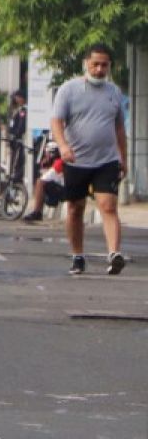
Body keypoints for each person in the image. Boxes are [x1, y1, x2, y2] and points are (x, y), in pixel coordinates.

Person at [51, 43, 127, 275]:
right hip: (76, 159)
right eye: (95, 64)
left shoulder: (114, 92)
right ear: (86, 64)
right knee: (75, 208)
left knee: (108, 205)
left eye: (104, 65)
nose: (99, 69)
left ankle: (113, 254)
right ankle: (78, 256)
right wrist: (63, 146)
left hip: (106, 160)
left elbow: (119, 128)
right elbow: (56, 121)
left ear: (109, 67)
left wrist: (123, 158)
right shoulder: (69, 90)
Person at [22, 141, 65, 223]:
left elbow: (45, 178)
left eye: (47, 154)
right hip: (61, 187)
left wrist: (45, 167)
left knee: (39, 182)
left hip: (63, 190)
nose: (46, 156)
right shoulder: (57, 162)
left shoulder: (59, 163)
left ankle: (37, 212)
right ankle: (38, 211)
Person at [6, 90, 28, 183]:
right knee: (14, 160)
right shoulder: (17, 110)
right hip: (14, 139)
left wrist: (16, 135)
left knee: (18, 161)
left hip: (18, 139)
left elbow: (21, 125)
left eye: (17, 97)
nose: (16, 99)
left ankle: (17, 179)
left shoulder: (24, 110)